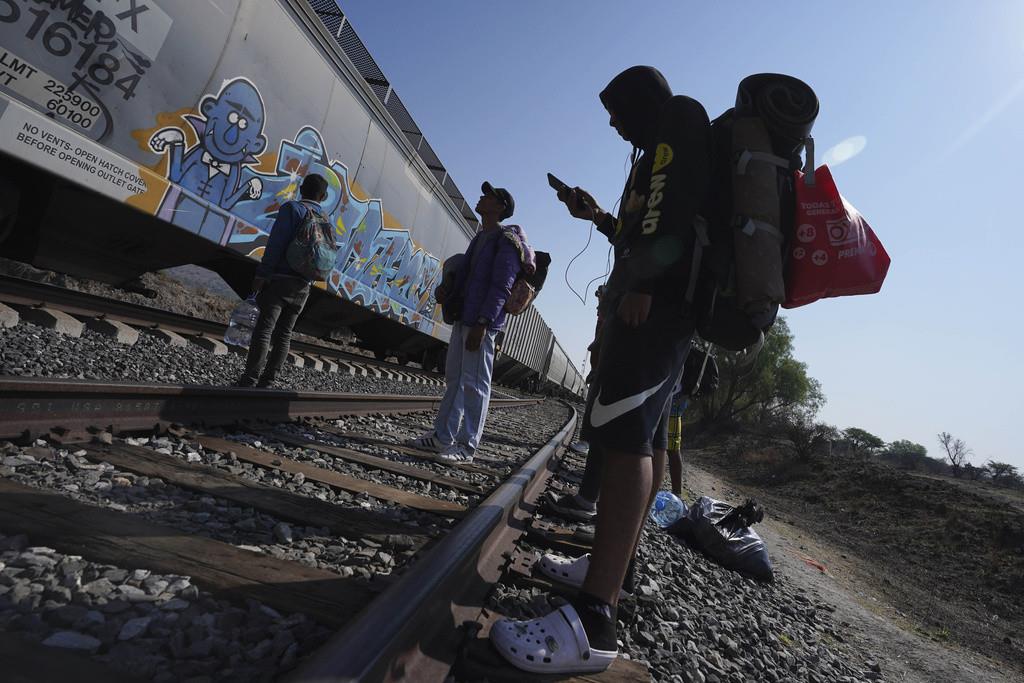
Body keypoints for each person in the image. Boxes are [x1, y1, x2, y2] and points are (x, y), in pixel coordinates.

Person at [490, 66, 712, 674]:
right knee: (625, 437)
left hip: (654, 307)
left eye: (616, 112)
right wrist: (594, 216)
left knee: (626, 439)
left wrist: (645, 284)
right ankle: (609, 566)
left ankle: (595, 619)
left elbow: (672, 216)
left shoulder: (677, 122)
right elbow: (645, 226)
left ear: (642, 102)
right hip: (651, 301)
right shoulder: (659, 143)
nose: (612, 125)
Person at [405, 182, 532, 464]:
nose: (481, 197)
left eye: (488, 196)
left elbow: (501, 286)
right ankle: (442, 436)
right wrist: (447, 290)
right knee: (455, 380)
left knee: (475, 385)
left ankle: (467, 446)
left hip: (481, 323)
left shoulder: (506, 242)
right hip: (465, 317)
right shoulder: (480, 238)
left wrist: (483, 323)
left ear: (500, 207)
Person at [236, 173, 330, 388]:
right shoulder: (325, 219)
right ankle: (268, 380)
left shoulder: (292, 209)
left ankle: (250, 379)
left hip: (280, 281)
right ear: (323, 196)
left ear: (301, 188)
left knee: (265, 330)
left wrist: (262, 274)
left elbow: (275, 245)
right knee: (284, 334)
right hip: (304, 286)